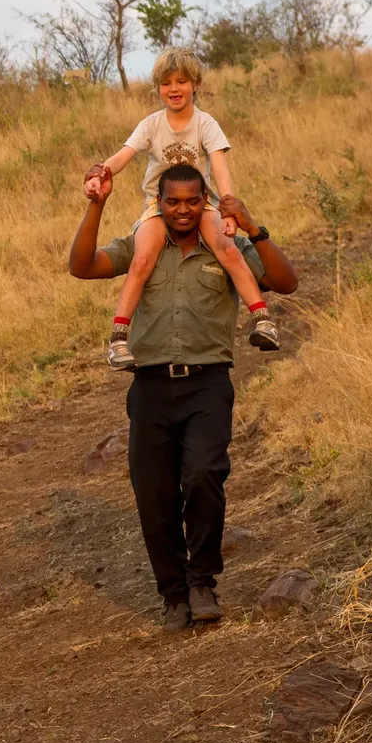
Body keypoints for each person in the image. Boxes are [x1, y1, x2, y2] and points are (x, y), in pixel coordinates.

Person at [69, 162, 298, 632]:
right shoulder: (142, 245)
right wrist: (97, 204)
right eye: (173, 201)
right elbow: (82, 266)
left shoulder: (226, 244)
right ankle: (173, 595)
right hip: (150, 388)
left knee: (203, 476)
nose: (183, 210)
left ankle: (202, 582)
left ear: (206, 200)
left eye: (193, 201)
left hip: (208, 383)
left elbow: (285, 280)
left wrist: (255, 229)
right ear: (158, 202)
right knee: (153, 496)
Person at [83, 47, 280, 371]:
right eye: (166, 83)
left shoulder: (205, 123)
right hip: (159, 204)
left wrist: (228, 210)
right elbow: (124, 154)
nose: (174, 88)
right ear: (158, 87)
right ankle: (119, 338)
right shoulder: (152, 124)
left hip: (202, 203)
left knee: (227, 249)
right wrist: (100, 173)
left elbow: (219, 168)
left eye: (182, 81)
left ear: (196, 84)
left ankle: (263, 319)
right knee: (142, 258)